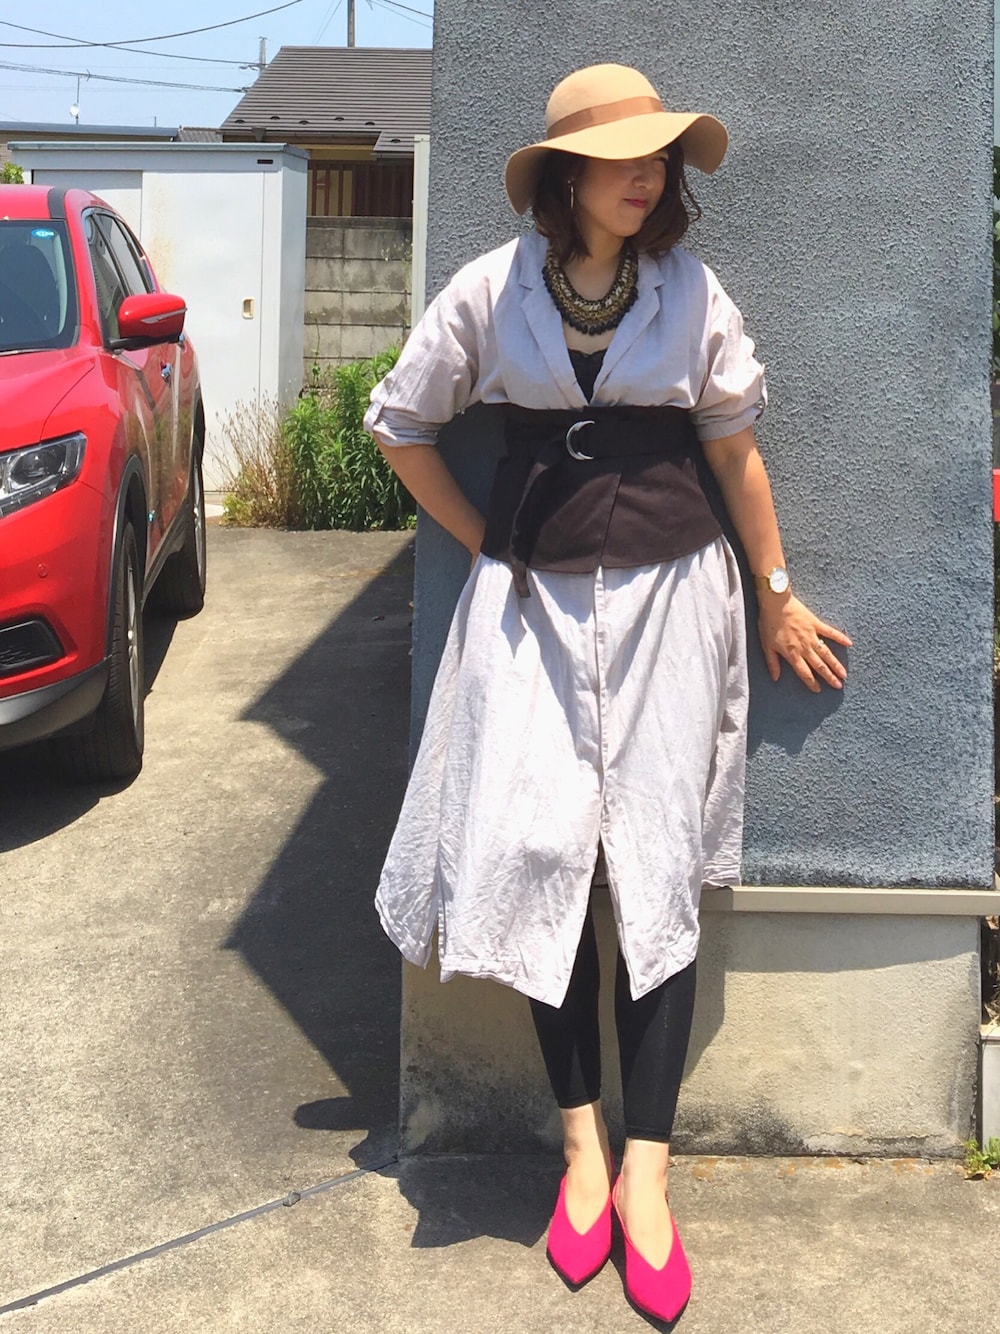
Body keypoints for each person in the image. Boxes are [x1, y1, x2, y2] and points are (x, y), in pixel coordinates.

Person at [364, 63, 851, 1325]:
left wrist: (776, 592)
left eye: (659, 156)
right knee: (542, 861)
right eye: (622, 155)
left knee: (653, 870)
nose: (646, 175)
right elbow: (400, 425)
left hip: (672, 606)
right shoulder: (490, 289)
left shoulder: (691, 294)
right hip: (528, 612)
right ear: (566, 174)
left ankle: (648, 1170)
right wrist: (485, 538)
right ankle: (580, 1145)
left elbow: (734, 449)